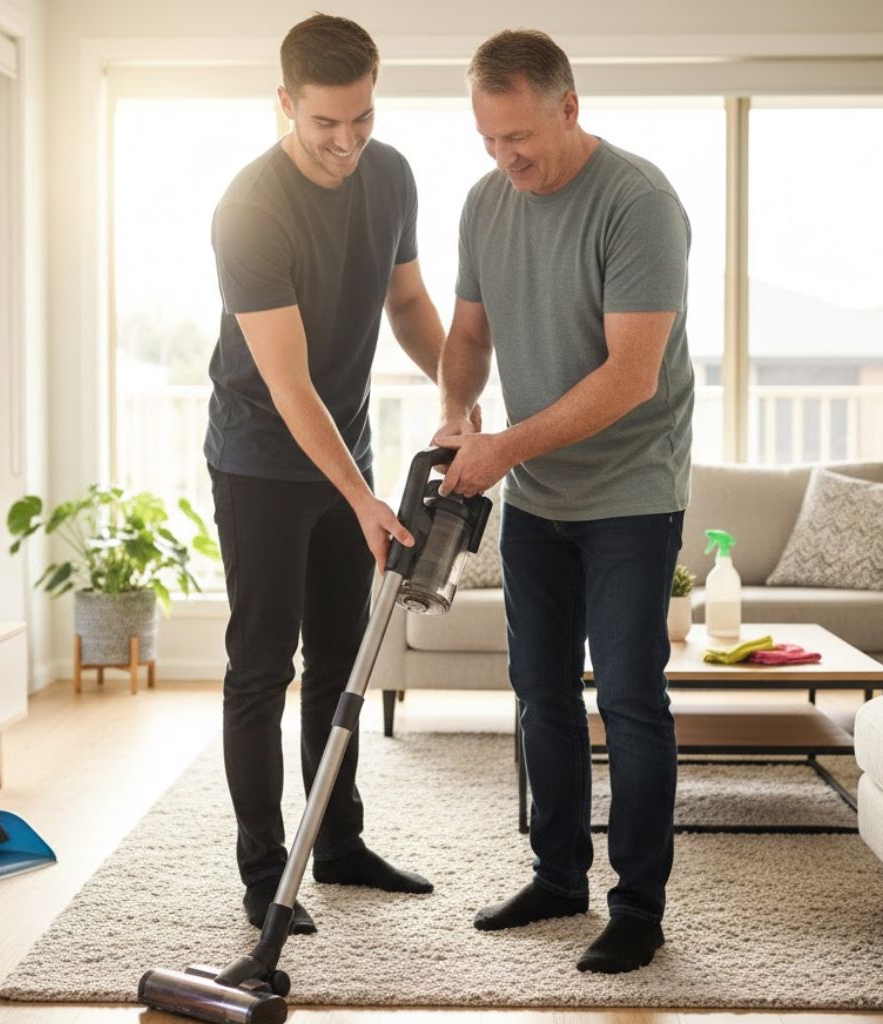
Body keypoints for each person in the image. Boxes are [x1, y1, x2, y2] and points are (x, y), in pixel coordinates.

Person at [434, 29, 694, 973]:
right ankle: (557, 877)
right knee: (541, 692)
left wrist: (503, 448)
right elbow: (470, 335)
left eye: (520, 137)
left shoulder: (638, 203)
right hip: (539, 494)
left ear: (569, 107)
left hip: (631, 491)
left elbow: (631, 376)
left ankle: (638, 907)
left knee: (628, 698)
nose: (506, 157)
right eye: (489, 139)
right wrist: (458, 414)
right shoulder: (485, 202)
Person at [205, 14, 446, 935]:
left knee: (339, 660)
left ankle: (338, 844)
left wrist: (460, 395)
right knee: (261, 665)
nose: (347, 143)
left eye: (362, 119)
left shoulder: (392, 175)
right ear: (284, 104)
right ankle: (265, 871)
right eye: (324, 124)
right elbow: (289, 383)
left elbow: (409, 301)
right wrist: (361, 498)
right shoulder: (249, 209)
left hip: (345, 451)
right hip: (260, 461)